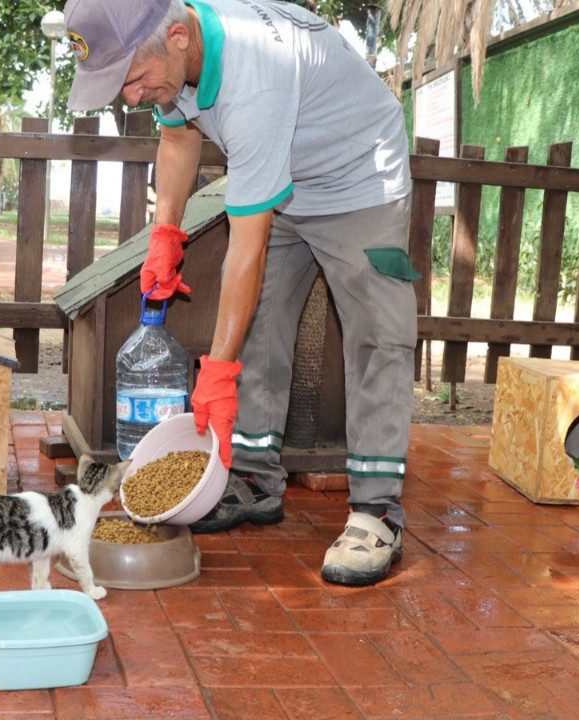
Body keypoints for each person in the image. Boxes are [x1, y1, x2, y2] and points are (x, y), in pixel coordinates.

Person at [64, 0, 416, 586]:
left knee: (379, 336)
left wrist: (216, 373)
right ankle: (253, 476)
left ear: (177, 36)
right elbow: (178, 142)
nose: (129, 97)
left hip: (359, 180)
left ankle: (377, 510)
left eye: (130, 79)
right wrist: (165, 236)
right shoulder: (176, 60)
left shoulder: (254, 77)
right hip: (282, 175)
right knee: (257, 324)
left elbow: (244, 249)